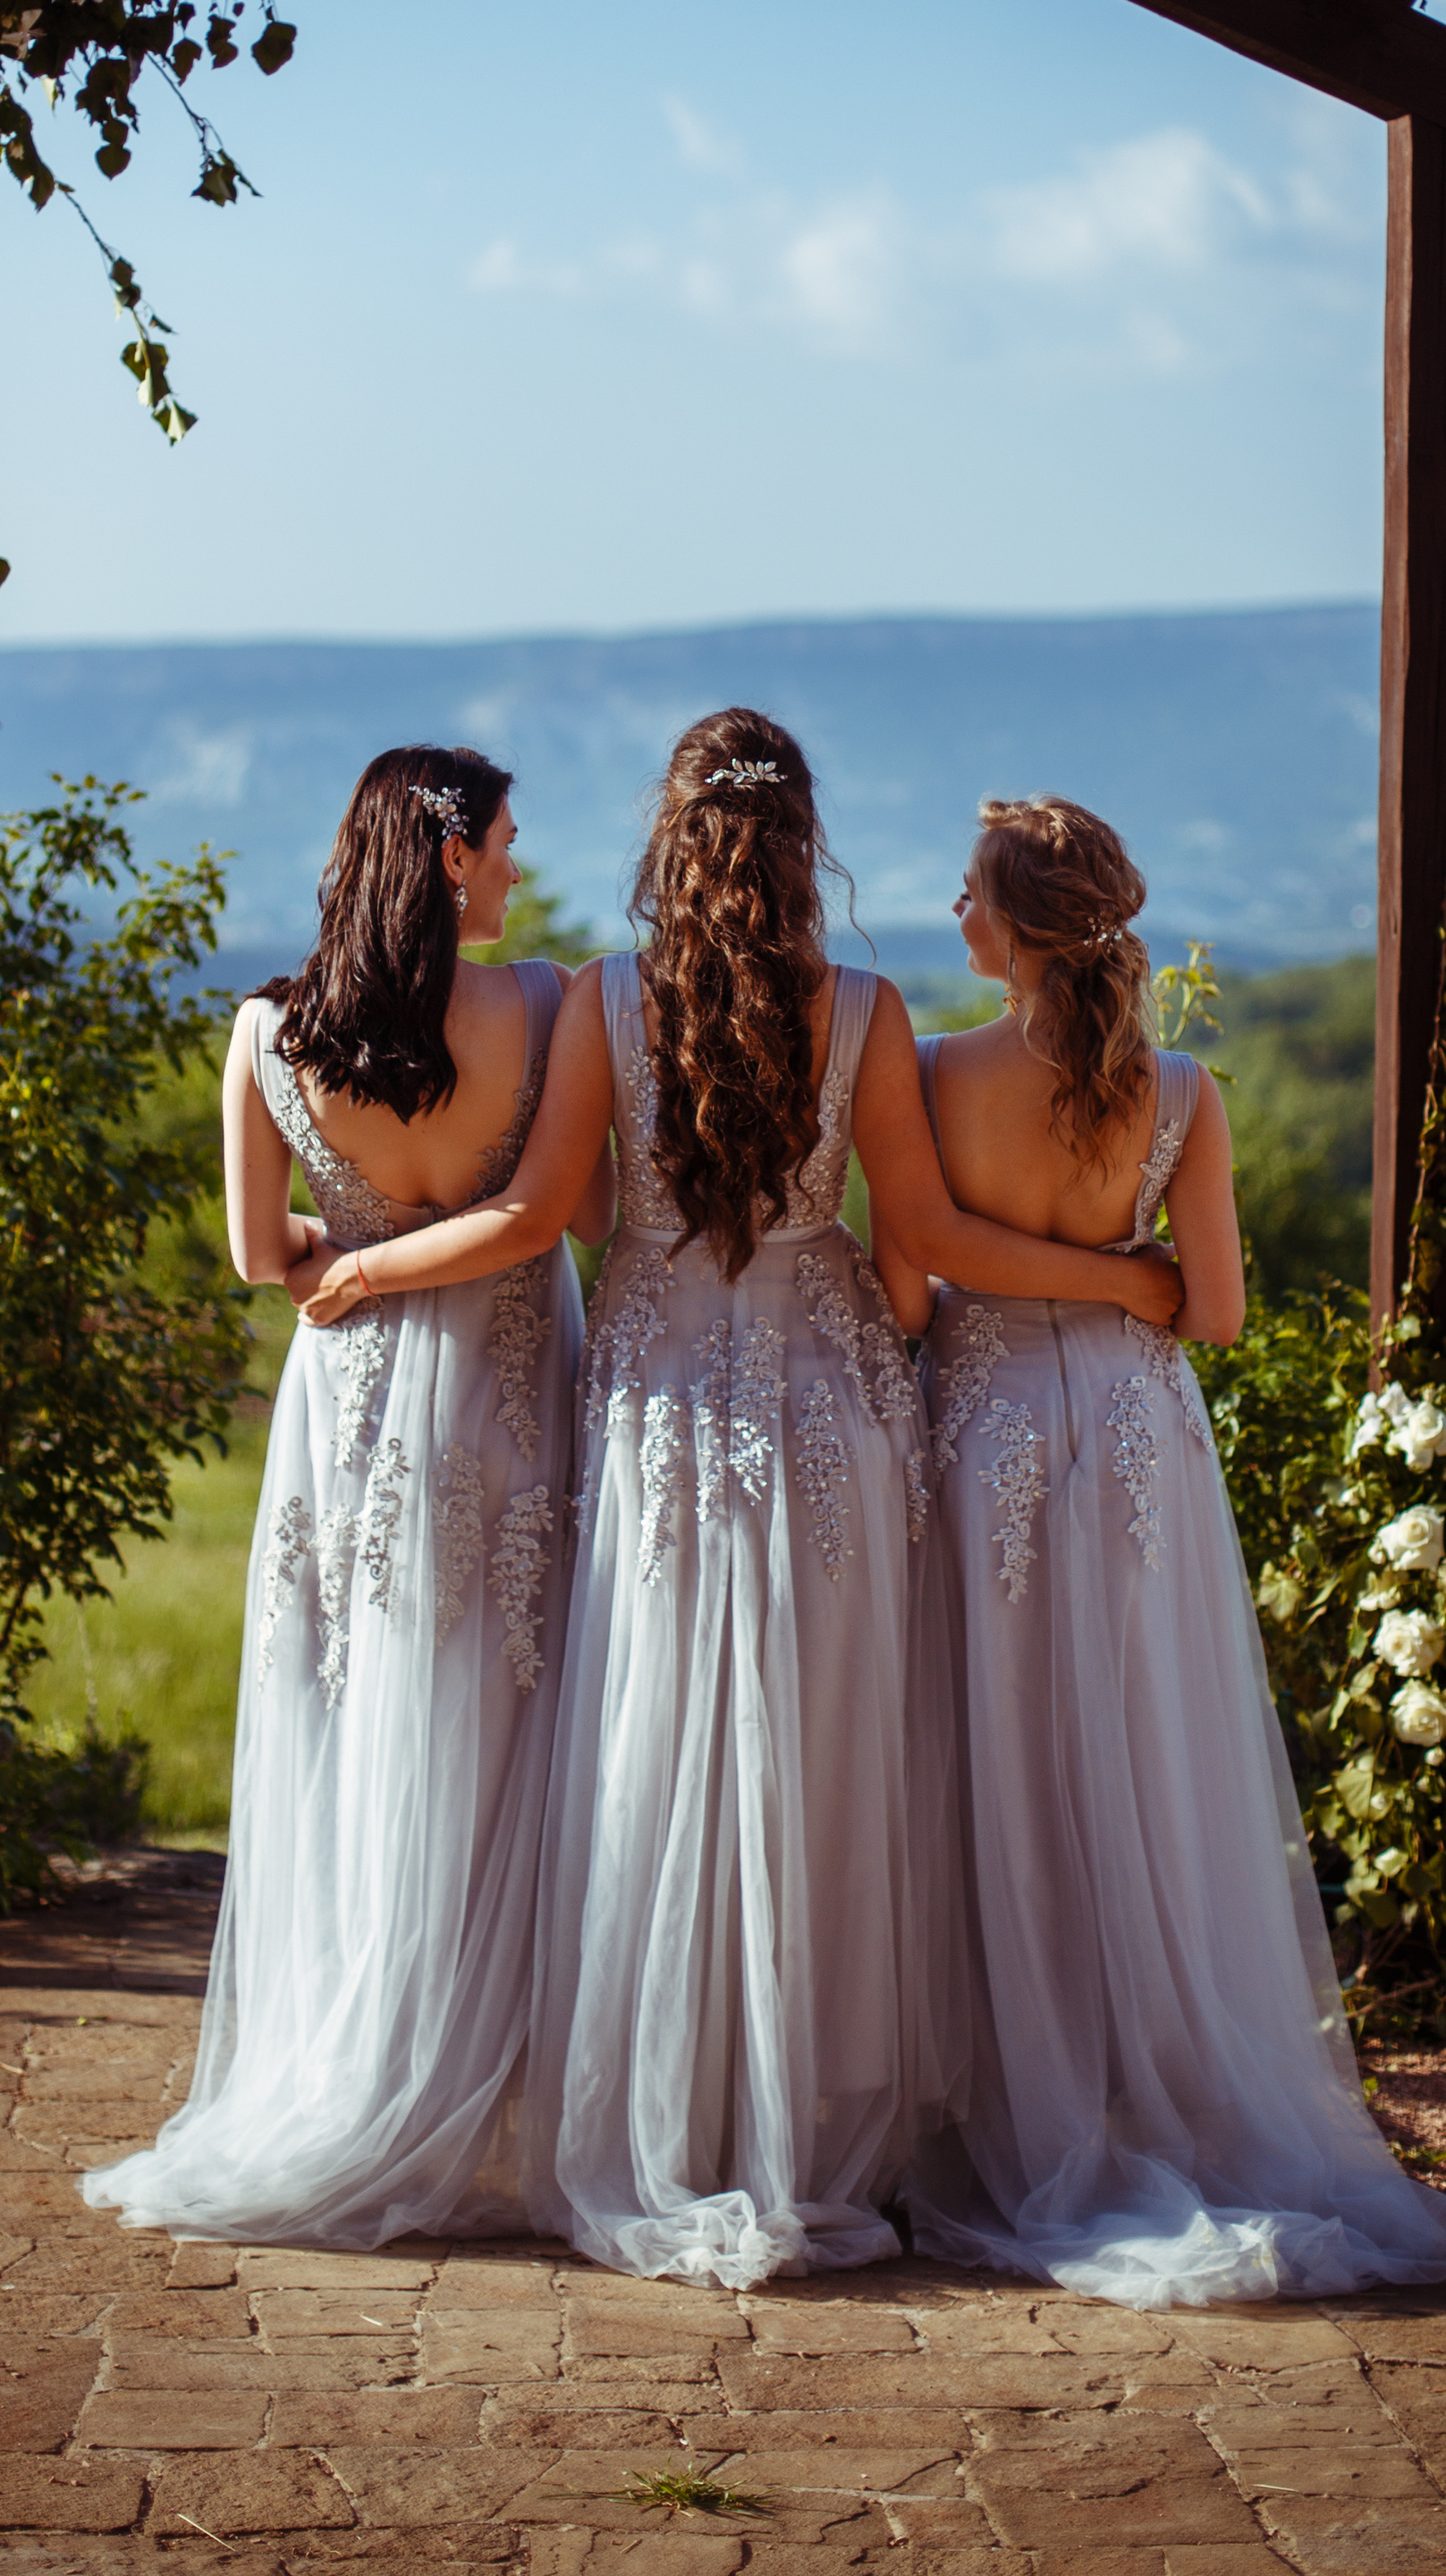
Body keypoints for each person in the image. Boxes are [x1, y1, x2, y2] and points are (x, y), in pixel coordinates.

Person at [301, 710, 1177, 2285]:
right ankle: (818, 2129)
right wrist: (900, 1343)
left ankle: (666, 2119)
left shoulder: (603, 1000)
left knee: (652, 1748)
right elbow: (906, 1245)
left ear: (674, 839)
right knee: (823, 1759)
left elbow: (554, 1212)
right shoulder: (868, 1011)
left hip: (655, 1401)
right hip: (830, 1403)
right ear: (799, 845)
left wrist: (366, 1256)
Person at [878, 791, 1446, 2306]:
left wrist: (1005, 1285)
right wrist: (1119, 1277)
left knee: (991, 1753)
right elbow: (1209, 1311)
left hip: (985, 1428)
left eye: (971, 894)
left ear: (1022, 925)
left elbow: (912, 1276)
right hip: (1135, 1437)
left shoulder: (934, 1073)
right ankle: (1152, 2081)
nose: (956, 914)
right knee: (1143, 1758)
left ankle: (1004, 2099)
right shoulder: (1183, 1090)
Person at [83, 744, 614, 2246]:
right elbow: (559, 1215)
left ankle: (352, 2058)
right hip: (508, 1390)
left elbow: (261, 1256)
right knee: (509, 1726)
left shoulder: (265, 1031)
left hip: (354, 1407)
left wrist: (357, 1252)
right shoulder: (548, 1005)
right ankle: (490, 2086)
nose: (515, 865)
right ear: (451, 855)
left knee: (355, 1717)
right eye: (504, 840)